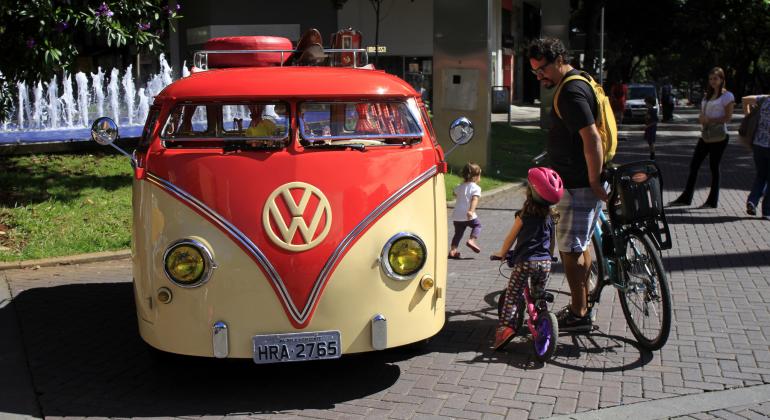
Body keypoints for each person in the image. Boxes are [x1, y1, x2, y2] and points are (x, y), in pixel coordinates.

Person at [527, 37, 607, 332]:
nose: (539, 76)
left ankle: (579, 313)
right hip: (577, 183)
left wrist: (595, 180)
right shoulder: (579, 80)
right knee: (580, 246)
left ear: (559, 59)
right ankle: (582, 304)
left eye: (542, 69)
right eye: (535, 72)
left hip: (576, 186)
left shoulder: (571, 91)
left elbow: (592, 138)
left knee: (571, 252)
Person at [491, 167, 563, 350]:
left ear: (530, 192)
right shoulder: (551, 216)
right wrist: (549, 256)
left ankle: (506, 328)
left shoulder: (523, 215)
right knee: (539, 295)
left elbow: (511, 237)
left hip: (525, 262)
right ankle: (543, 320)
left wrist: (501, 253)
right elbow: (552, 241)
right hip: (545, 263)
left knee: (512, 296)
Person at [668, 67, 735, 208]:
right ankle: (686, 198)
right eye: (711, 79)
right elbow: (703, 114)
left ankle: (712, 201)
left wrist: (710, 119)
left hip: (719, 136)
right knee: (694, 165)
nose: (712, 82)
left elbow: (728, 117)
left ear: (722, 79)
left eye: (715, 79)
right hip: (706, 135)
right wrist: (702, 118)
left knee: (714, 167)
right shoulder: (707, 96)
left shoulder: (727, 96)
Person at [741, 94, 770, 220]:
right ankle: (767, 211)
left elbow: (744, 99)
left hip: (758, 144)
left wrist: (747, 115)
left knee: (761, 175)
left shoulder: (764, 99)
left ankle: (752, 201)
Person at [449, 162, 482, 259]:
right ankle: (471, 240)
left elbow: (454, 193)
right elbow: (474, 199)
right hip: (468, 214)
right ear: (476, 176)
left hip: (457, 215)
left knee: (458, 234)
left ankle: (453, 251)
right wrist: (471, 211)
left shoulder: (460, 186)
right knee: (477, 225)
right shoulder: (476, 188)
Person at [644, 95, 659, 160]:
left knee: (651, 141)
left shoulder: (652, 110)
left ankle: (652, 155)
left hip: (651, 128)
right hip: (649, 127)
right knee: (649, 142)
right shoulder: (649, 110)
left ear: (650, 103)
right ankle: (651, 154)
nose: (646, 104)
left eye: (646, 103)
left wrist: (648, 126)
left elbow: (655, 121)